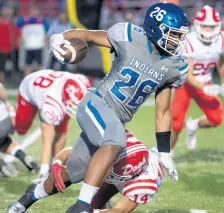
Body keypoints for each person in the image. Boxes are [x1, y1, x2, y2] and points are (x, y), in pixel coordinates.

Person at [49, 2, 189, 212]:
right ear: (155, 28)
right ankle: (82, 203)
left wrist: (164, 152)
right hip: (100, 103)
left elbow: (163, 111)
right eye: (173, 34)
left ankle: (42, 197)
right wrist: (59, 38)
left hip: (120, 117)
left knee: (81, 167)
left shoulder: (173, 66)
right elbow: (90, 36)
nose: (177, 40)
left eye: (179, 35)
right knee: (113, 144)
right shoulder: (130, 37)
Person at [7, 131, 164, 213]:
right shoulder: (113, 140)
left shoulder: (146, 181)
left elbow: (121, 210)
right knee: (65, 176)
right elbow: (69, 152)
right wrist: (57, 163)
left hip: (136, 178)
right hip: (121, 161)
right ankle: (30, 196)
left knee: (96, 203)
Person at [15, 69, 91, 183]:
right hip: (29, 87)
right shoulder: (53, 104)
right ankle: (8, 115)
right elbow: (46, 140)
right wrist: (43, 173)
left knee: (61, 129)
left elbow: (61, 133)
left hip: (53, 85)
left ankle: (55, 165)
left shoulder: (81, 83)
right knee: (21, 128)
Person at [171, 5, 224, 151]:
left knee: (216, 119)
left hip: (204, 81)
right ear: (197, 25)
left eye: (211, 27)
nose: (208, 30)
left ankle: (193, 124)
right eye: (205, 26)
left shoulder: (221, 39)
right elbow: (187, 74)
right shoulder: (189, 41)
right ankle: (166, 155)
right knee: (176, 122)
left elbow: (221, 63)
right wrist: (205, 88)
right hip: (185, 84)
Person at [0, 83, 38, 176]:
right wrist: (8, 107)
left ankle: (2, 165)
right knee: (4, 142)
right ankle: (22, 156)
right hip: (5, 119)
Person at [16, 5, 49, 76]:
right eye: (32, 10)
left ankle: (41, 78)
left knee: (40, 65)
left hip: (39, 46)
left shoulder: (42, 20)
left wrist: (47, 43)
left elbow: (46, 33)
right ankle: (26, 80)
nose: (33, 12)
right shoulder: (24, 21)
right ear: (29, 11)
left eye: (35, 10)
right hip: (28, 46)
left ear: (37, 11)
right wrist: (19, 41)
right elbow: (19, 31)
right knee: (27, 65)